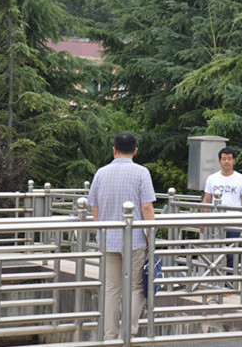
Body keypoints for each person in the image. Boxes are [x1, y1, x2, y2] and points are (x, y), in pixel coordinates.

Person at [88, 132, 156, 340]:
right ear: (135, 150)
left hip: (108, 239)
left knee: (111, 289)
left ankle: (110, 336)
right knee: (136, 287)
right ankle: (127, 334)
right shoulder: (141, 172)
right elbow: (146, 207)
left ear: (114, 150)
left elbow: (94, 206)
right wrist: (151, 235)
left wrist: (101, 229)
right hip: (134, 239)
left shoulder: (101, 173)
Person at [202, 147, 242, 272]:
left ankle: (230, 281)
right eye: (224, 159)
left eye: (229, 159)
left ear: (234, 161)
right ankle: (212, 281)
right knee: (212, 253)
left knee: (231, 254)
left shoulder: (241, 179)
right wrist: (203, 221)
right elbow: (207, 200)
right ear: (219, 161)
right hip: (215, 222)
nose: (227, 161)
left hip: (234, 222)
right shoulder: (212, 178)